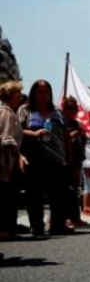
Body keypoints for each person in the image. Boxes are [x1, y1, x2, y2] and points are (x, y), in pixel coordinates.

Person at [19, 80, 73, 236]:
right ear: (33, 94)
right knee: (34, 195)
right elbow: (17, 131)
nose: (44, 96)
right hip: (33, 159)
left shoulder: (57, 112)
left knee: (58, 195)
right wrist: (34, 134)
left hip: (56, 159)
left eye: (47, 92)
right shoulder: (24, 110)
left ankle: (56, 224)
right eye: (40, 92)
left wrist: (68, 157)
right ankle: (37, 226)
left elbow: (66, 135)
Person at [0, 81, 27, 241]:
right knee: (3, 200)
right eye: (18, 96)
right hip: (3, 164)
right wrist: (19, 156)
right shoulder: (6, 112)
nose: (20, 99)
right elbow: (6, 139)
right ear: (11, 96)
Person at [61, 96, 87, 226]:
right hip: (64, 160)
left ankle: (75, 216)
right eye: (68, 108)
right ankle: (65, 217)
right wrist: (74, 134)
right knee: (65, 190)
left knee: (76, 189)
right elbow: (60, 140)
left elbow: (83, 143)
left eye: (73, 109)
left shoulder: (78, 124)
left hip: (77, 159)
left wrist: (82, 135)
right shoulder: (60, 123)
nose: (71, 111)